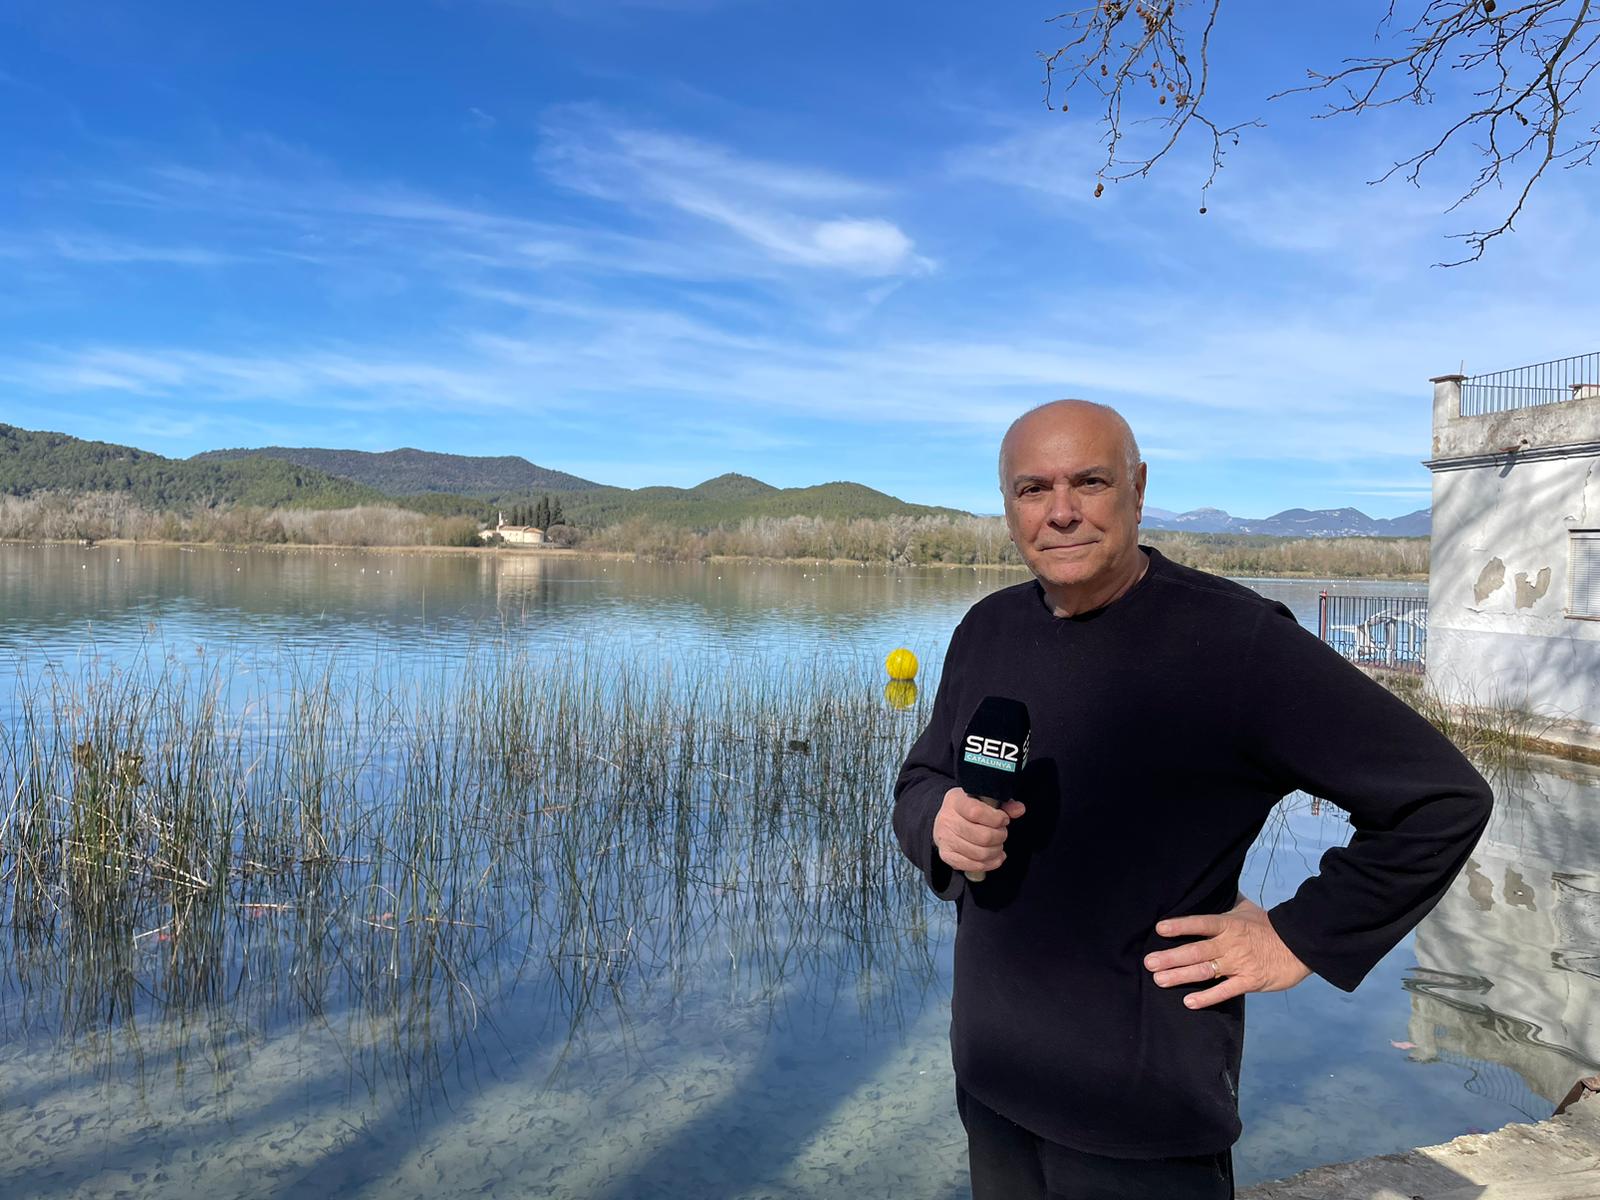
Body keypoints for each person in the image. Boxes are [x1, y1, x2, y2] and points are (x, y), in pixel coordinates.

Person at [892, 399, 1493, 1200]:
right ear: (1008, 507)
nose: (1061, 512)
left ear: (1138, 490)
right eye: (1033, 489)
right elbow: (920, 777)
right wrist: (936, 822)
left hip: (1142, 1118)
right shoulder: (987, 628)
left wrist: (1297, 935)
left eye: (1090, 482)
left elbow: (1440, 800)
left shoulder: (1236, 642)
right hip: (993, 1080)